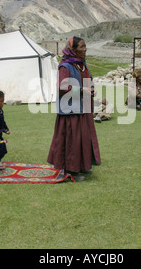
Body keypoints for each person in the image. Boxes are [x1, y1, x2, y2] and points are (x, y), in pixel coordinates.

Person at [47, 37, 101, 182]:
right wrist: (81, 89)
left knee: (82, 138)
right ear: (73, 49)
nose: (85, 49)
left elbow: (89, 80)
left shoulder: (82, 65)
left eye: (85, 46)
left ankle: (82, 166)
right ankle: (71, 170)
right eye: (82, 47)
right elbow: (62, 87)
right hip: (70, 111)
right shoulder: (65, 66)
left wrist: (92, 89)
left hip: (83, 108)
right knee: (72, 140)